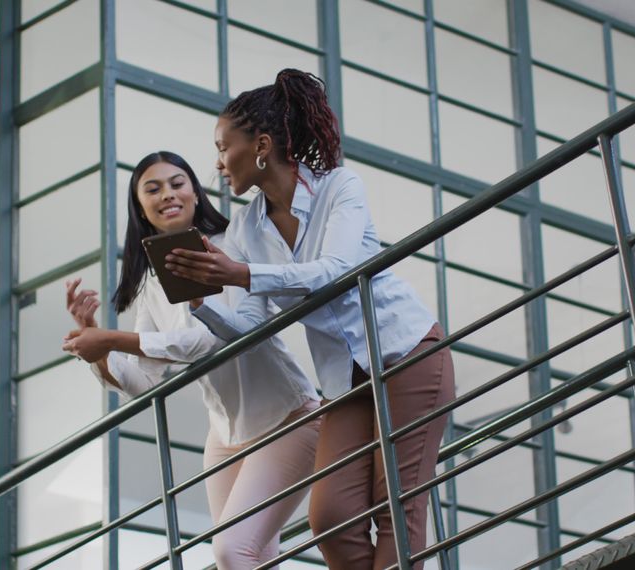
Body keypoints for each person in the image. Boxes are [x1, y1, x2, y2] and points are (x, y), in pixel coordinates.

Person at [166, 69, 456, 570]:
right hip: (344, 381)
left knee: (399, 508)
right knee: (331, 516)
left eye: (222, 147)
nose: (216, 164)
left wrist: (241, 273)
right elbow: (253, 327)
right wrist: (200, 301)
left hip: (407, 353)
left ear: (260, 145)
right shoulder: (246, 227)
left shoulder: (340, 187)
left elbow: (337, 271)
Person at [61, 151, 320, 569]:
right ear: (141, 208)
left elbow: (207, 341)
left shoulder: (229, 249)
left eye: (177, 183)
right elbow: (145, 381)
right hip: (225, 434)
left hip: (288, 418)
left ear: (196, 194)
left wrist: (109, 337)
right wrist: (101, 346)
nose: (168, 194)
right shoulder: (149, 283)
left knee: (232, 551)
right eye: (153, 188)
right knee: (250, 557)